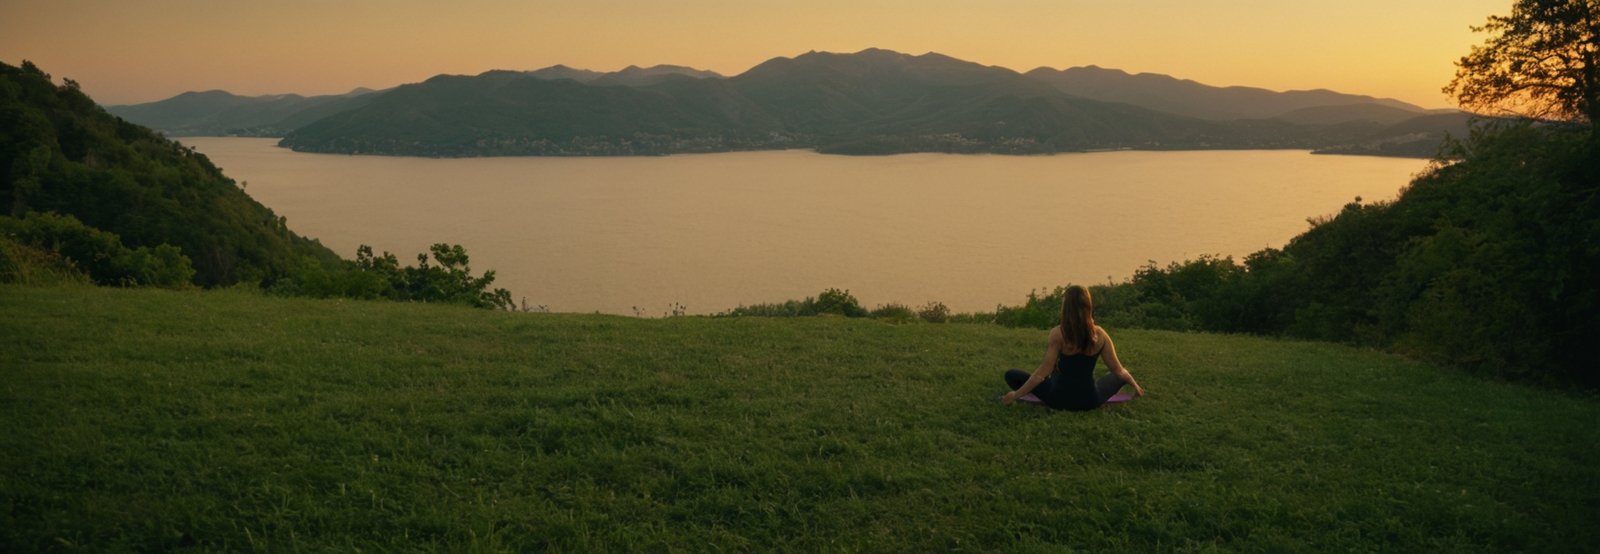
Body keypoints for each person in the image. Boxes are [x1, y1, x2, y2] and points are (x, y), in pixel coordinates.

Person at [1000, 285, 1144, 410]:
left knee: (1012, 375)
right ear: (1088, 306)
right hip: (1090, 401)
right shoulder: (1101, 335)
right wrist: (1135, 386)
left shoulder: (1058, 334)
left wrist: (1015, 395)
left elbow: (1041, 374)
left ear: (1066, 307)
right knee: (1120, 376)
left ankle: (1050, 387)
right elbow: (1118, 370)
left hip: (1058, 400)